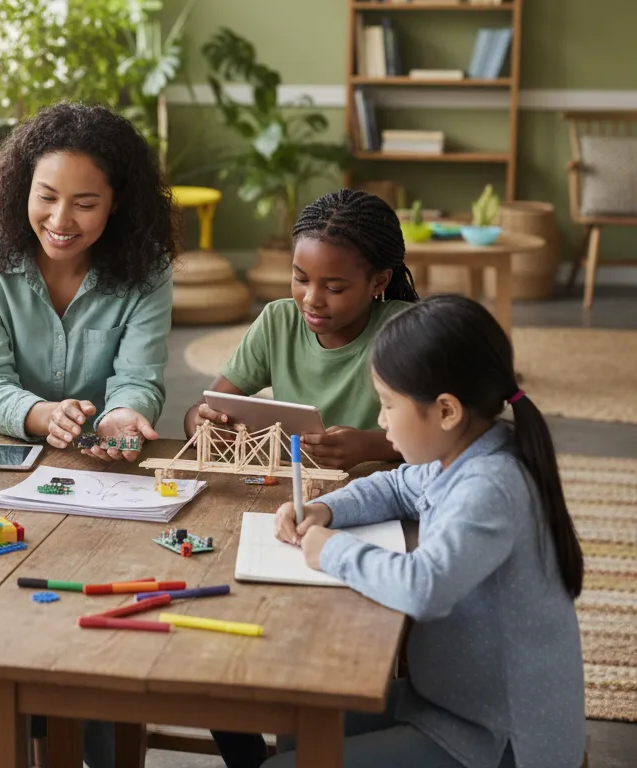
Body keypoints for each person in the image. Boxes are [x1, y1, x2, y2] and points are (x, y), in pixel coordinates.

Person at [220, 295, 587, 767]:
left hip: (499, 740)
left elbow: (424, 587)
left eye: (389, 405)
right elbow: (395, 486)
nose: (379, 421)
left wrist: (330, 550)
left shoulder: (491, 486)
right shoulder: (462, 454)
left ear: (446, 411)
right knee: (300, 725)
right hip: (448, 704)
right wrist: (324, 509)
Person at [0, 101, 177, 463]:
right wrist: (48, 415)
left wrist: (123, 413)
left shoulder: (147, 272)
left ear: (116, 203)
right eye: (46, 197)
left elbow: (138, 379)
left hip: (92, 456)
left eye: (84, 205)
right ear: (24, 187)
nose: (60, 220)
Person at [185, 188, 418, 470]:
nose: (311, 300)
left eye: (334, 288)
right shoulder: (278, 322)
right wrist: (201, 423)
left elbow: (452, 432)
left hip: (386, 489)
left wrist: (372, 446)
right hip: (294, 492)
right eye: (300, 278)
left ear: (379, 282)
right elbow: (205, 408)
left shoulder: (408, 331)